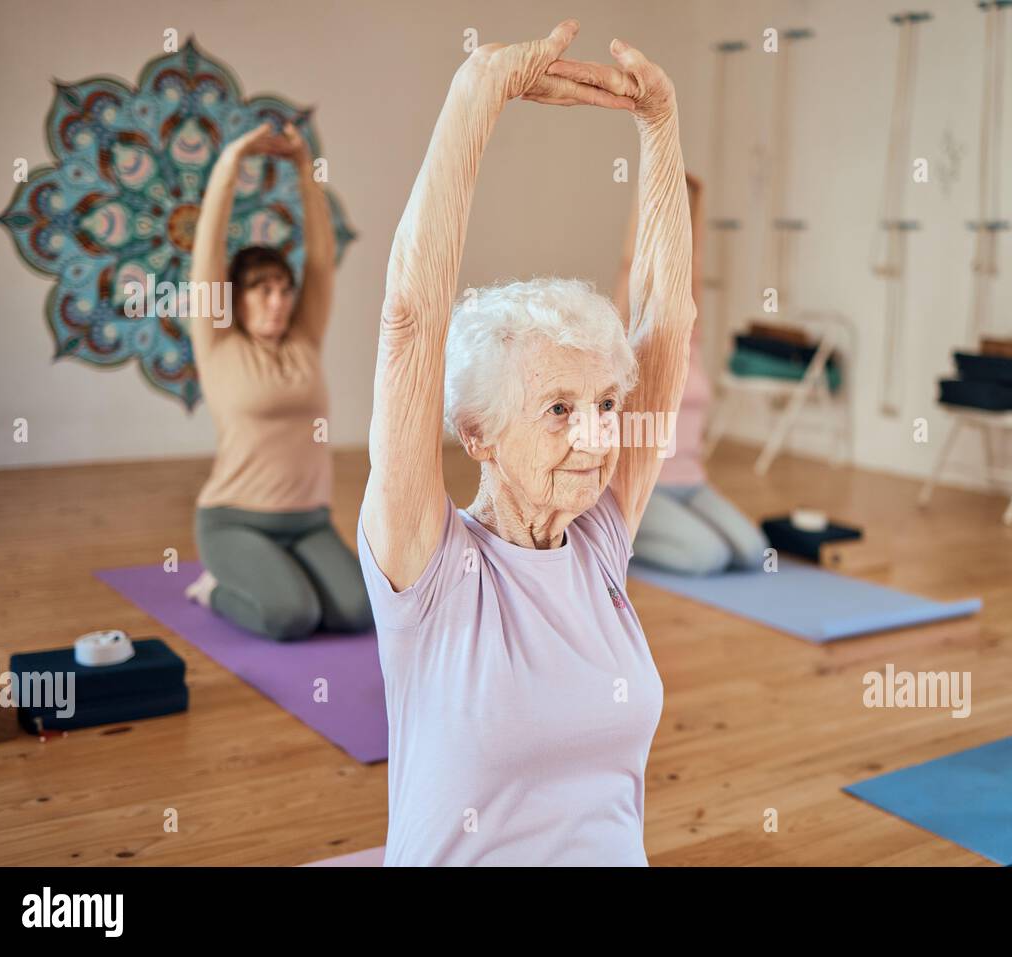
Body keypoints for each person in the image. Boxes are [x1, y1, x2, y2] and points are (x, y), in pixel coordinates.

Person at [358, 20, 695, 865]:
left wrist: (661, 125)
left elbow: (667, 321)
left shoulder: (600, 539)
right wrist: (475, 98)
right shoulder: (426, 568)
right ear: (475, 431)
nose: (594, 436)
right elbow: (408, 321)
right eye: (556, 409)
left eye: (607, 403)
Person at [184, 121, 372, 641]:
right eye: (261, 290)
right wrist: (231, 164)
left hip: (308, 521)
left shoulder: (303, 338)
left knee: (360, 613)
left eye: (284, 289)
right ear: (235, 298)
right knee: (292, 617)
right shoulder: (219, 344)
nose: (278, 300)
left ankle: (282, 573)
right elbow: (208, 255)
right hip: (235, 521)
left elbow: (319, 258)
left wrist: (305, 171)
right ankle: (213, 589)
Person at [616, 172, 769, 574]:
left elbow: (695, 268)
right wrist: (646, 186)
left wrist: (697, 201)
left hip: (694, 484)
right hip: (646, 493)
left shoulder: (691, 343)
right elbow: (627, 264)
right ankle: (617, 539)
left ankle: (672, 531)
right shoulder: (630, 347)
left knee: (752, 552)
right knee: (709, 557)